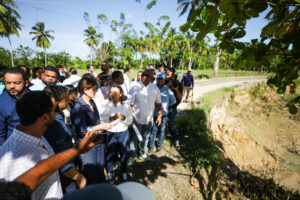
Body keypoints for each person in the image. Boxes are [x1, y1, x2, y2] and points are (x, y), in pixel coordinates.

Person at [0, 130, 102, 200]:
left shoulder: (40, 137)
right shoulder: (13, 157)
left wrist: (76, 151)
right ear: (44, 117)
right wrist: (76, 151)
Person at [0, 91, 63, 199]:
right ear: (44, 118)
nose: (57, 112)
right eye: (54, 110)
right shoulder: (17, 160)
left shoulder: (38, 137)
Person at [43, 85, 86, 194]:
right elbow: (63, 163)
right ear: (56, 103)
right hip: (62, 177)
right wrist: (79, 177)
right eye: (66, 98)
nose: (68, 100)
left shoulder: (52, 118)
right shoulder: (55, 126)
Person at [71, 76, 113, 184]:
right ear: (85, 90)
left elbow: (96, 121)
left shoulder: (92, 102)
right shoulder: (78, 107)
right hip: (86, 145)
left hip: (97, 141)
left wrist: (103, 124)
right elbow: (81, 130)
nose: (96, 91)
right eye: (94, 89)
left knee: (99, 168)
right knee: (90, 173)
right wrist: (100, 127)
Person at [99, 85, 133, 183]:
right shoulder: (105, 104)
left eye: (115, 93)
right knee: (110, 154)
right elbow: (101, 118)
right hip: (110, 133)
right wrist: (111, 118)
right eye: (111, 92)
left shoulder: (126, 105)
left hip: (123, 133)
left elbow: (130, 120)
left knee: (123, 154)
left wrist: (123, 118)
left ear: (121, 94)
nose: (112, 94)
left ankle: (124, 172)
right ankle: (110, 173)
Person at [128, 69, 162, 163]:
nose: (144, 77)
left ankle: (142, 153)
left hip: (149, 120)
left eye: (147, 75)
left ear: (152, 77)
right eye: (143, 74)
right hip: (136, 119)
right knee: (134, 139)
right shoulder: (135, 88)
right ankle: (132, 156)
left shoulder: (155, 89)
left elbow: (159, 104)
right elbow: (130, 105)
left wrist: (159, 116)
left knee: (145, 137)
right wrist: (130, 118)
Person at [149, 73, 176, 153]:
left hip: (164, 114)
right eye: (159, 79)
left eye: (162, 79)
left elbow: (173, 101)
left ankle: (159, 145)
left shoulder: (167, 89)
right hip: (154, 114)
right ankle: (151, 146)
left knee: (162, 130)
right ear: (156, 79)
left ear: (164, 80)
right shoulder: (152, 88)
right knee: (153, 130)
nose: (160, 80)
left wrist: (166, 107)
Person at [0, 68, 28, 146]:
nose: (12, 86)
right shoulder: (2, 103)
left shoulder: (35, 97)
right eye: (8, 83)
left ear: (26, 83)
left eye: (17, 83)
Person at [165, 68, 183, 147]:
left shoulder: (178, 84)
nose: (167, 72)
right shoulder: (164, 82)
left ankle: (176, 139)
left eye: (169, 72)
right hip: (163, 107)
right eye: (167, 72)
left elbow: (179, 98)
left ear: (173, 75)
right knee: (162, 124)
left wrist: (175, 89)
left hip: (172, 108)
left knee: (171, 124)